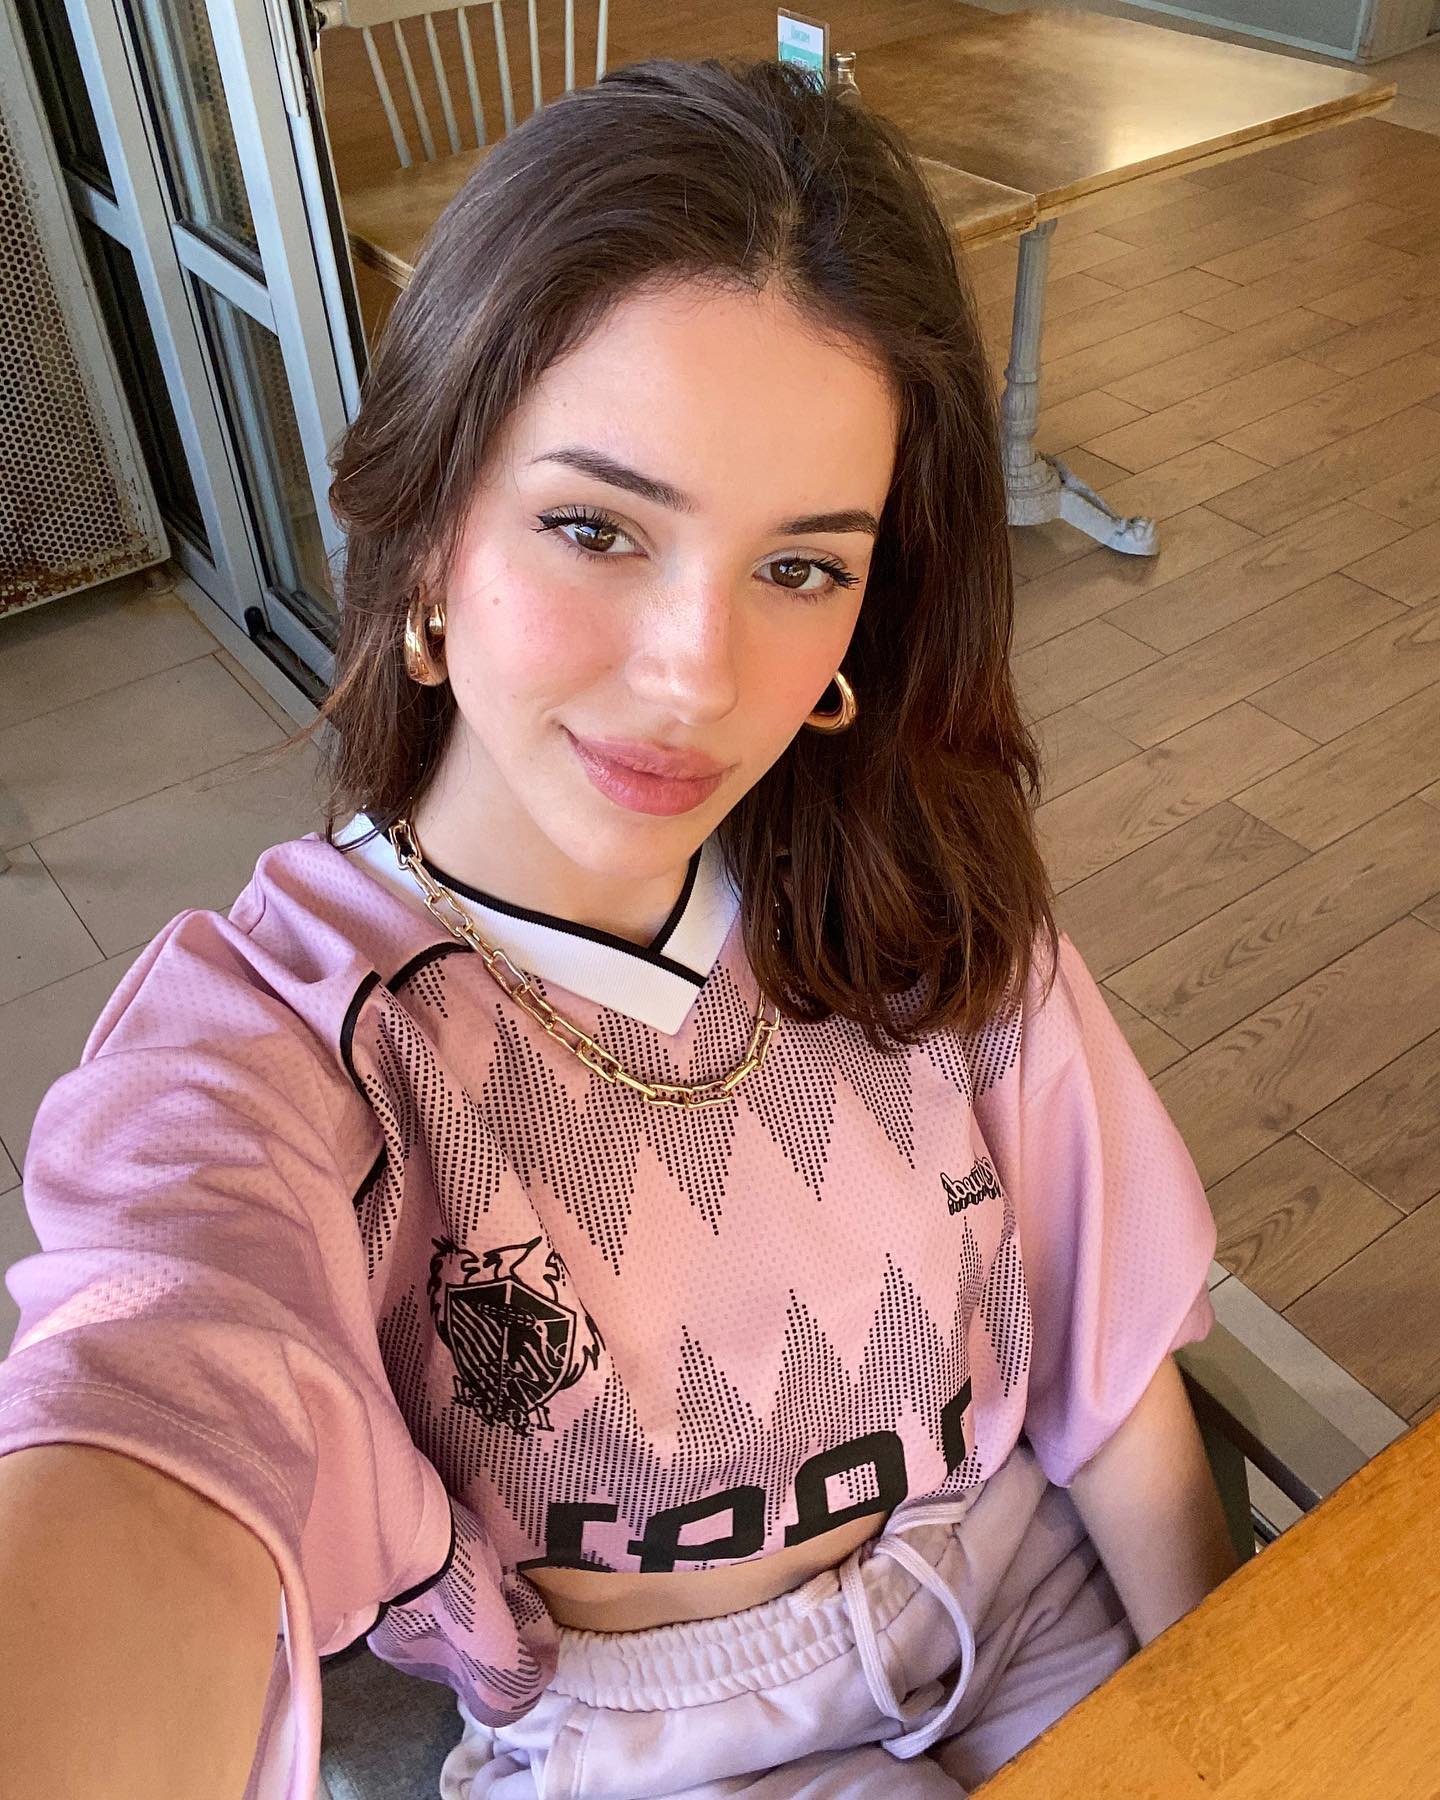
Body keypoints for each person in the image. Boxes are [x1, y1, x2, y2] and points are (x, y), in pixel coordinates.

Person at [0, 56, 1239, 1800]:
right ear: (428, 539)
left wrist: (1249, 1722)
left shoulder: (914, 882)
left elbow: (1109, 1367)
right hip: (655, 1749)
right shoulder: (290, 1042)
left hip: (1018, 1595)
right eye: (595, 527)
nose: (693, 678)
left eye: (801, 567)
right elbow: (162, 1388)